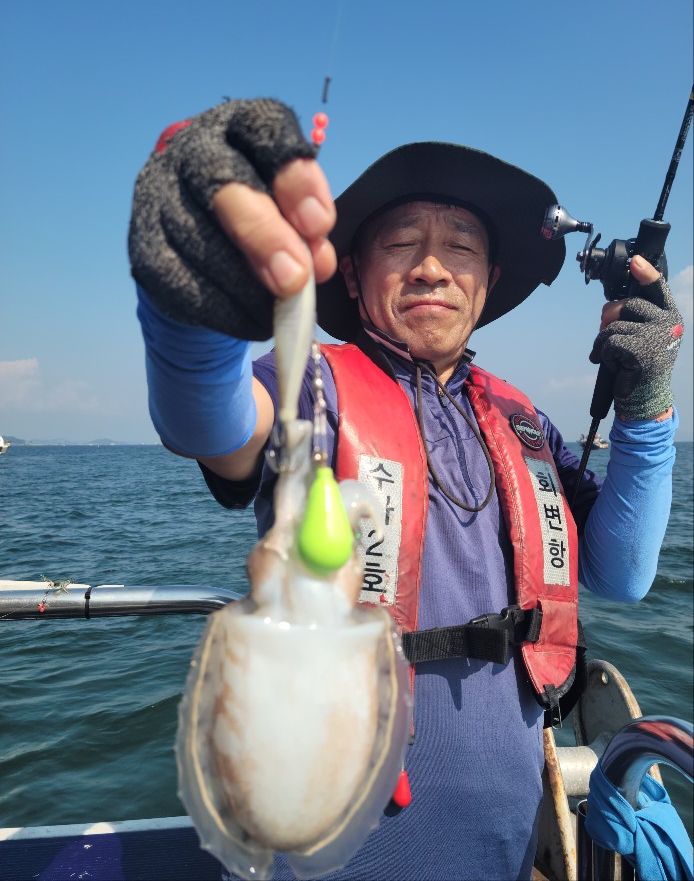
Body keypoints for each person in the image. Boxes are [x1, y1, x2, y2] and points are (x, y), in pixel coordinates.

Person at [129, 99, 682, 881]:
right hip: (329, 834)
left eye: (461, 247)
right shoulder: (310, 385)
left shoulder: (523, 421)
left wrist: (648, 405)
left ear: (488, 280)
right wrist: (190, 311)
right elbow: (208, 421)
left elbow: (622, 573)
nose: (431, 266)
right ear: (353, 273)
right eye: (399, 244)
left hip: (504, 847)